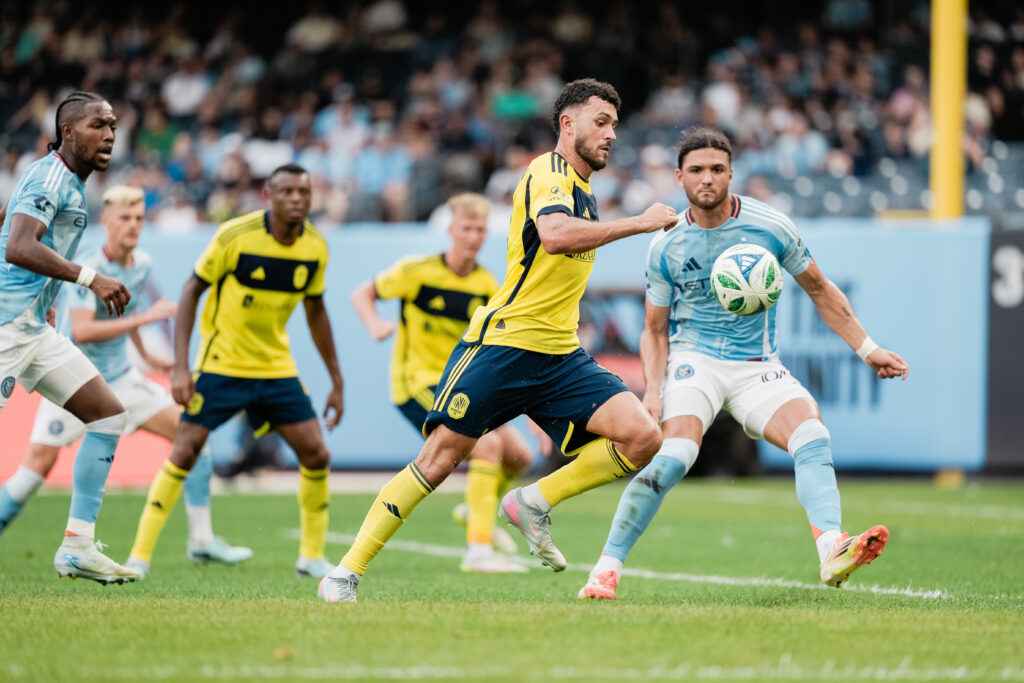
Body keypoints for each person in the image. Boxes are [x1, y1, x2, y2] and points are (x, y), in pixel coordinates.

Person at [318, 78, 679, 602]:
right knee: (439, 460)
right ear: (568, 124)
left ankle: (532, 501)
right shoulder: (546, 171)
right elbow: (554, 236)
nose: (611, 135)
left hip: (559, 355)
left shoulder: (584, 192)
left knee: (643, 437)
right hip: (504, 347)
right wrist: (640, 223)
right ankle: (344, 573)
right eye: (601, 123)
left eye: (615, 126)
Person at [577, 127, 909, 601]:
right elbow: (653, 330)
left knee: (812, 435)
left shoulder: (770, 226)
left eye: (717, 169)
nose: (707, 178)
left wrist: (867, 348)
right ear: (679, 178)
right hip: (695, 362)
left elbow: (819, 289)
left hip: (757, 365)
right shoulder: (666, 244)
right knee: (674, 457)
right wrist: (652, 391)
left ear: (732, 173)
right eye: (696, 170)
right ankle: (605, 571)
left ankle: (832, 548)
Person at [0, 185, 252, 568]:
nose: (133, 225)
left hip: (121, 379)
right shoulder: (89, 267)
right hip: (74, 383)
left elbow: (123, 308)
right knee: (33, 471)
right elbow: (83, 330)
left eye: (138, 218)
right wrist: (145, 319)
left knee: (192, 435)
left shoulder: (141, 263)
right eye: (124, 218)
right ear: (106, 221)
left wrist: (148, 355)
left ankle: (202, 540)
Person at [123, 163, 344, 579]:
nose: (296, 199)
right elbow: (192, 290)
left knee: (316, 453)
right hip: (222, 365)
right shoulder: (235, 235)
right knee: (185, 449)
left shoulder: (315, 246)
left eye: (304, 192)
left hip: (275, 367)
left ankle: (312, 557)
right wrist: (182, 367)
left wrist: (336, 380)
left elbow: (316, 310)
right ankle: (139, 556)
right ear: (269, 196)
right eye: (287, 191)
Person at [350, 192, 534, 574]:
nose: (474, 236)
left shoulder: (486, 285)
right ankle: (478, 551)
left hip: (461, 386)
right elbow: (363, 293)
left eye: (480, 229)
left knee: (520, 456)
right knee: (487, 446)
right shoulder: (417, 271)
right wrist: (374, 324)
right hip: (415, 382)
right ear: (451, 229)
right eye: (467, 228)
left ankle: (474, 508)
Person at [0, 90, 140, 584]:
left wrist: (45, 295)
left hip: (34, 328)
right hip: (5, 328)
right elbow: (19, 245)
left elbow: (8, 228)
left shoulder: (67, 183)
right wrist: (88, 278)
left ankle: (78, 547)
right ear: (67, 132)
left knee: (108, 414)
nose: (109, 135)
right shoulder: (51, 176)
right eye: (97, 125)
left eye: (113, 126)